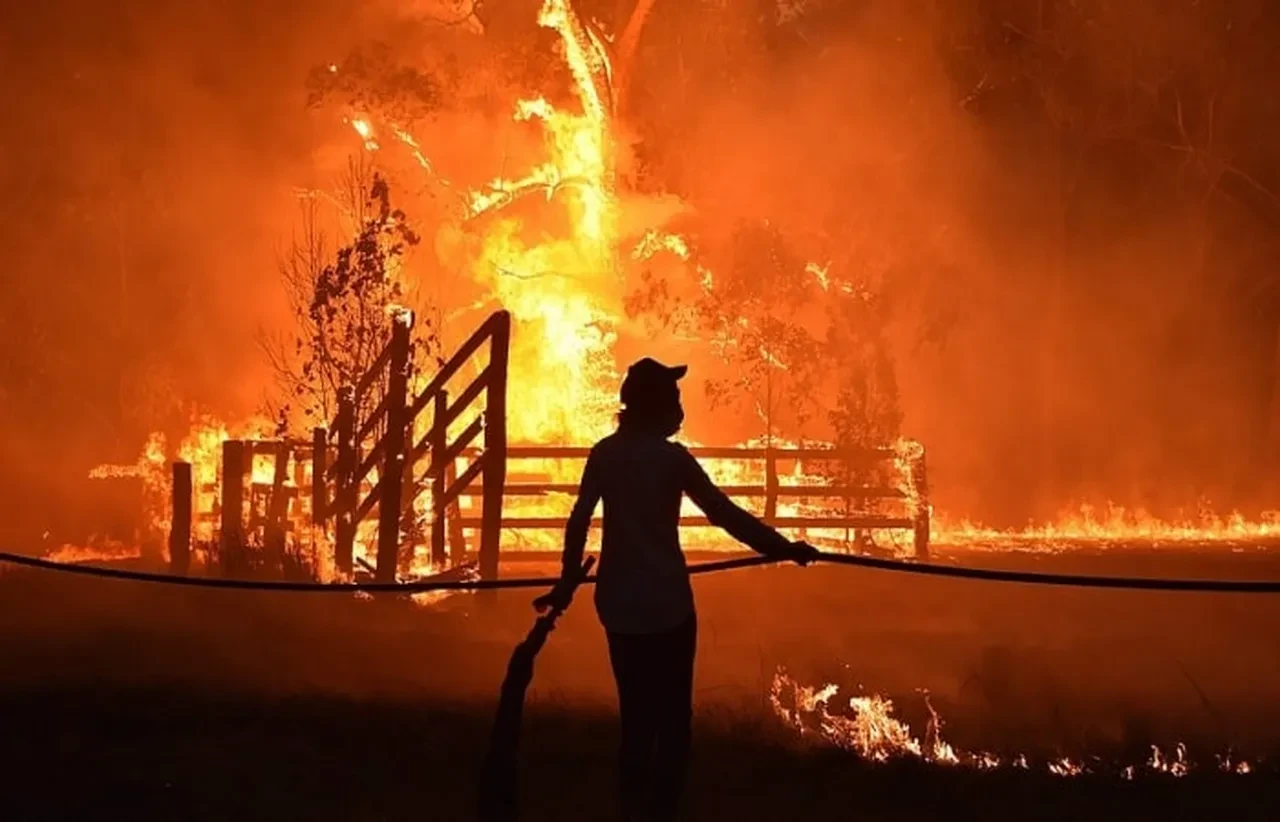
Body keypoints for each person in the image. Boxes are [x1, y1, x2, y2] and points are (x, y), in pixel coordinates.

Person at [535, 357, 819, 822]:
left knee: (636, 719)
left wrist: (568, 579)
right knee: (672, 724)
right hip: (667, 608)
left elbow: (579, 519)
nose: (680, 411)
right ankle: (662, 808)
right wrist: (785, 548)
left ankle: (631, 806)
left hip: (621, 608)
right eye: (674, 400)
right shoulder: (672, 461)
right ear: (654, 405)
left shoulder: (605, 454)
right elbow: (724, 514)